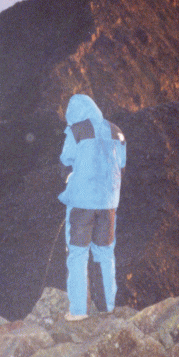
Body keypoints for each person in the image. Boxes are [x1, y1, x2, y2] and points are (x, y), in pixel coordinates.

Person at [58, 94, 126, 320]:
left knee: (78, 254)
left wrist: (70, 179)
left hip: (81, 205)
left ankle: (79, 311)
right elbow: (121, 166)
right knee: (105, 253)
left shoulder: (76, 131)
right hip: (108, 205)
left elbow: (66, 163)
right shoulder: (116, 131)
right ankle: (107, 306)